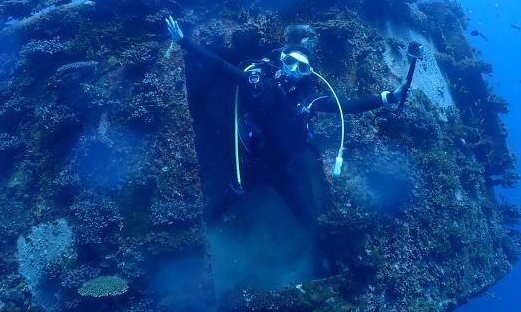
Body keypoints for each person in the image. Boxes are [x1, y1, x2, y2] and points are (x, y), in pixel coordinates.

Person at [165, 16, 410, 247]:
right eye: (290, 62)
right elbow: (220, 66)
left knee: (305, 216)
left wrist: (389, 97)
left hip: (281, 169)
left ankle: (317, 250)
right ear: (281, 60)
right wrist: (183, 41)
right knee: (230, 197)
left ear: (308, 74)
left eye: (302, 67)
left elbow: (346, 106)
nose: (293, 70)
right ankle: (195, 235)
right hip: (247, 162)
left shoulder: (308, 101)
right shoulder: (257, 85)